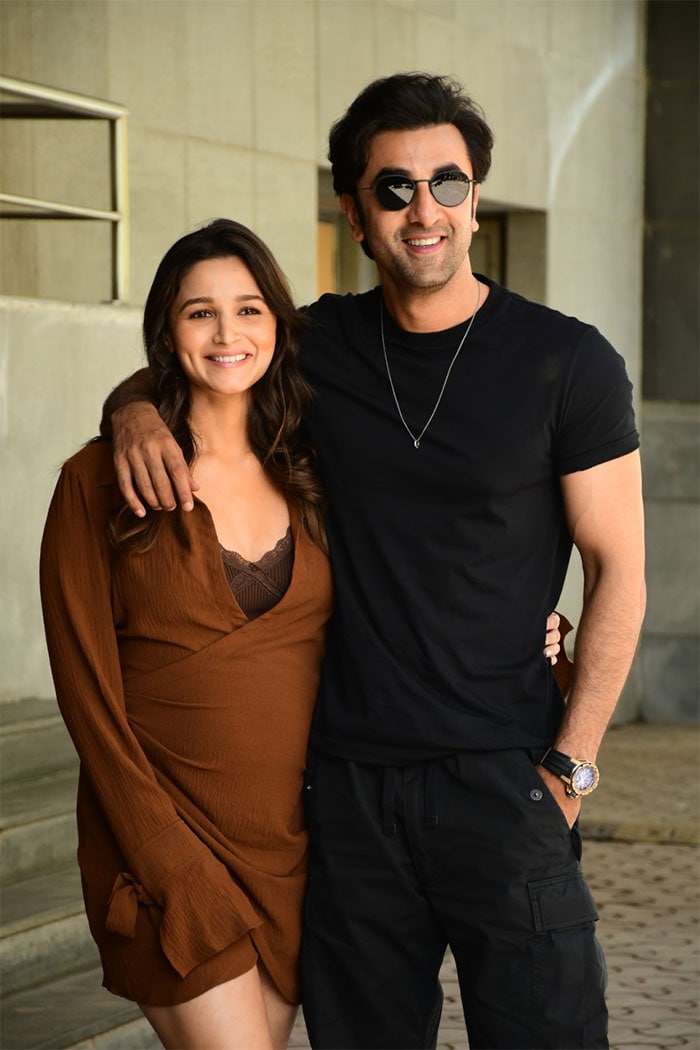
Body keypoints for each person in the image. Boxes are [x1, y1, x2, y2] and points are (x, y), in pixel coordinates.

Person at [101, 72, 645, 1050]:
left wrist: (571, 766)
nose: (422, 209)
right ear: (353, 210)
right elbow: (205, 355)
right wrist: (131, 407)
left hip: (507, 780)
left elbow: (618, 573)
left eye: (447, 182)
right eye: (393, 188)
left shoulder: (569, 364)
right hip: (346, 793)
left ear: (475, 197)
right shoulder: (316, 347)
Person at [39, 219, 334, 1050]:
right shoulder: (97, 480)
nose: (229, 334)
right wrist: (166, 858)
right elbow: (87, 699)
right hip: (164, 845)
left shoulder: (312, 468)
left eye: (248, 309)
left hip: (290, 851)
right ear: (166, 332)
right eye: (199, 313)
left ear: (278, 321)